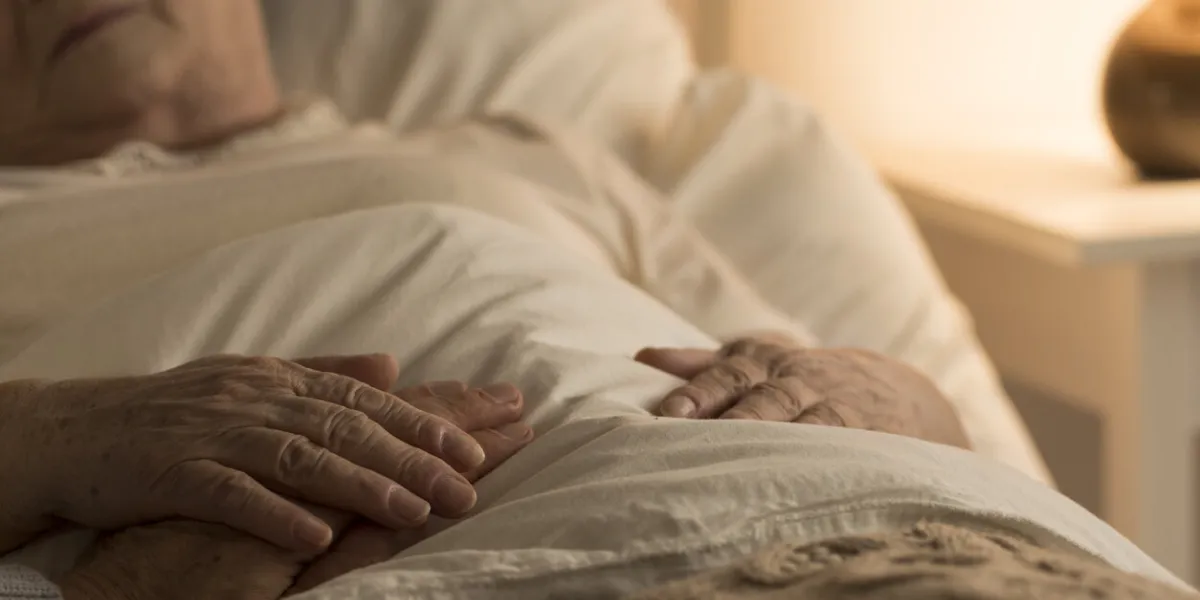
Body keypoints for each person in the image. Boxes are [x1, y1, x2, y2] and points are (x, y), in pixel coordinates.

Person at [0, 0, 1190, 598]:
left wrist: (907, 401)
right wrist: (50, 438)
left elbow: (845, 388)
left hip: (855, 536)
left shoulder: (536, 153)